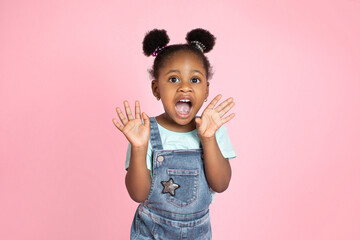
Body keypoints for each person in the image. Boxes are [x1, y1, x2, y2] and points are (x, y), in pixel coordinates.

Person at [112, 28, 236, 239]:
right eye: (173, 80)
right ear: (156, 88)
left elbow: (221, 184)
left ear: (206, 90)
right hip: (150, 231)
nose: (185, 88)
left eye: (194, 80)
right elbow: (138, 194)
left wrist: (208, 139)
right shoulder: (144, 132)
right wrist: (139, 149)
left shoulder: (212, 128)